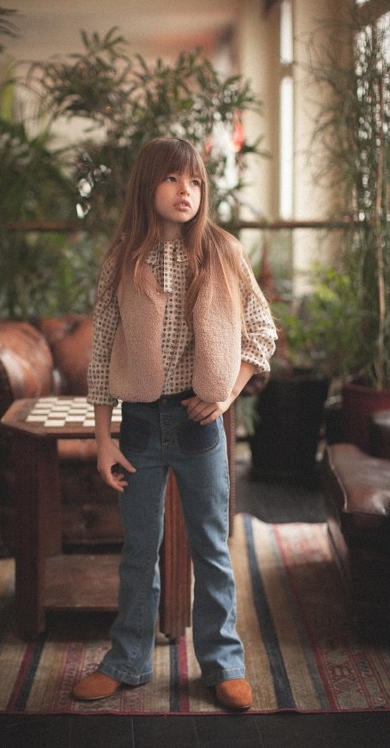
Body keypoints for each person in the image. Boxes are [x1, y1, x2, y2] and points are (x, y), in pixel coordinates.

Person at [71, 137, 277, 711]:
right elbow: (102, 351)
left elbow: (262, 331)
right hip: (138, 425)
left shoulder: (223, 252)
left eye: (195, 182)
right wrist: (103, 440)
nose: (186, 191)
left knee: (211, 549)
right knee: (139, 550)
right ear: (147, 185)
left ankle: (223, 665)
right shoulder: (122, 258)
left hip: (197, 425)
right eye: (171, 179)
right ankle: (127, 661)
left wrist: (226, 395)